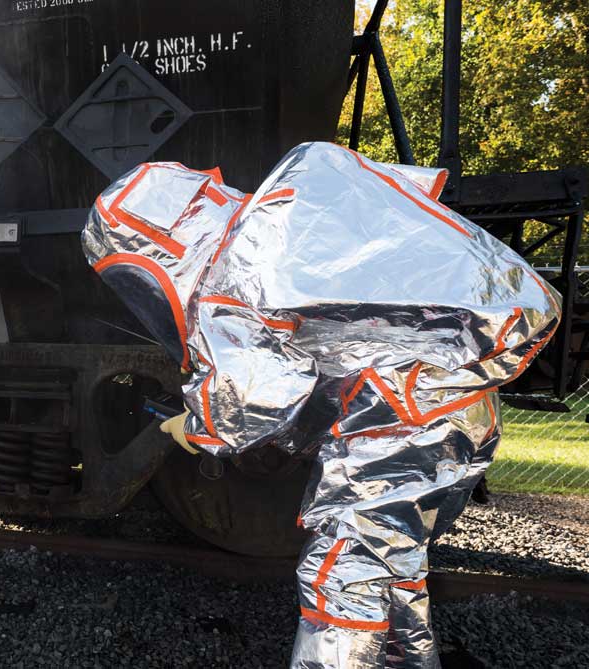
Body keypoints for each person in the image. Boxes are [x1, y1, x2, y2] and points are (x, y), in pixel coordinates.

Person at [82, 143, 559, 668]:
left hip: (401, 418)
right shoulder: (292, 204)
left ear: (155, 245)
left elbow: (250, 405)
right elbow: (321, 364)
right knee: (390, 568)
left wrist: (192, 426)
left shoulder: (234, 270)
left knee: (342, 581)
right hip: (452, 410)